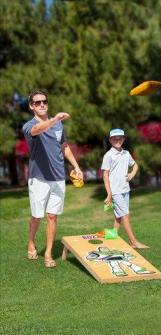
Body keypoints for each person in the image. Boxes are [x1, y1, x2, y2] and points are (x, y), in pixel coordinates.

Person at [22, 90, 83, 268]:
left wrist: (76, 166)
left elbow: (63, 146)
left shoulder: (58, 126)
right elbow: (37, 130)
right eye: (37, 102)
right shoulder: (29, 125)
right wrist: (54, 119)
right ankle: (31, 242)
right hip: (38, 179)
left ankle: (48, 253)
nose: (42, 104)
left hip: (58, 177)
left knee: (52, 217)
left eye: (44, 101)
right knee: (36, 216)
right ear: (31, 106)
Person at [101, 129, 148, 249]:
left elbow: (135, 165)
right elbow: (105, 175)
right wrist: (109, 194)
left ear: (124, 139)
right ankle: (133, 242)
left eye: (120, 138)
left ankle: (112, 236)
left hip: (125, 189)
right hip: (115, 191)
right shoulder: (108, 155)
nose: (118, 140)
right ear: (110, 140)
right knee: (125, 215)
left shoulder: (126, 153)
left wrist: (132, 173)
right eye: (115, 138)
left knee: (119, 215)